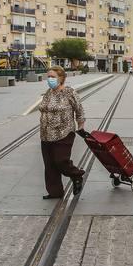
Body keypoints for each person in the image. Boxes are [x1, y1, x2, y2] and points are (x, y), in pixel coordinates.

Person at [38, 66, 86, 200]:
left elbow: (79, 109)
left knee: (60, 161)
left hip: (64, 132)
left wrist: (81, 125)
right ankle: (55, 192)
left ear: (61, 78)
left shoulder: (69, 92)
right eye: (48, 77)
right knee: (49, 165)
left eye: (52, 77)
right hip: (46, 134)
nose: (50, 79)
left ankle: (77, 175)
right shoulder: (48, 93)